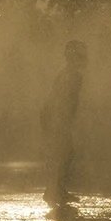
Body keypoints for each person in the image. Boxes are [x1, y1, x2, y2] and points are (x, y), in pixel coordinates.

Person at [41, 40, 87, 208]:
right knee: (63, 154)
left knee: (63, 154)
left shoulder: (68, 73)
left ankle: (56, 189)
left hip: (55, 118)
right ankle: (54, 190)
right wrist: (64, 120)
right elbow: (65, 100)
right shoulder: (73, 75)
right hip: (57, 118)